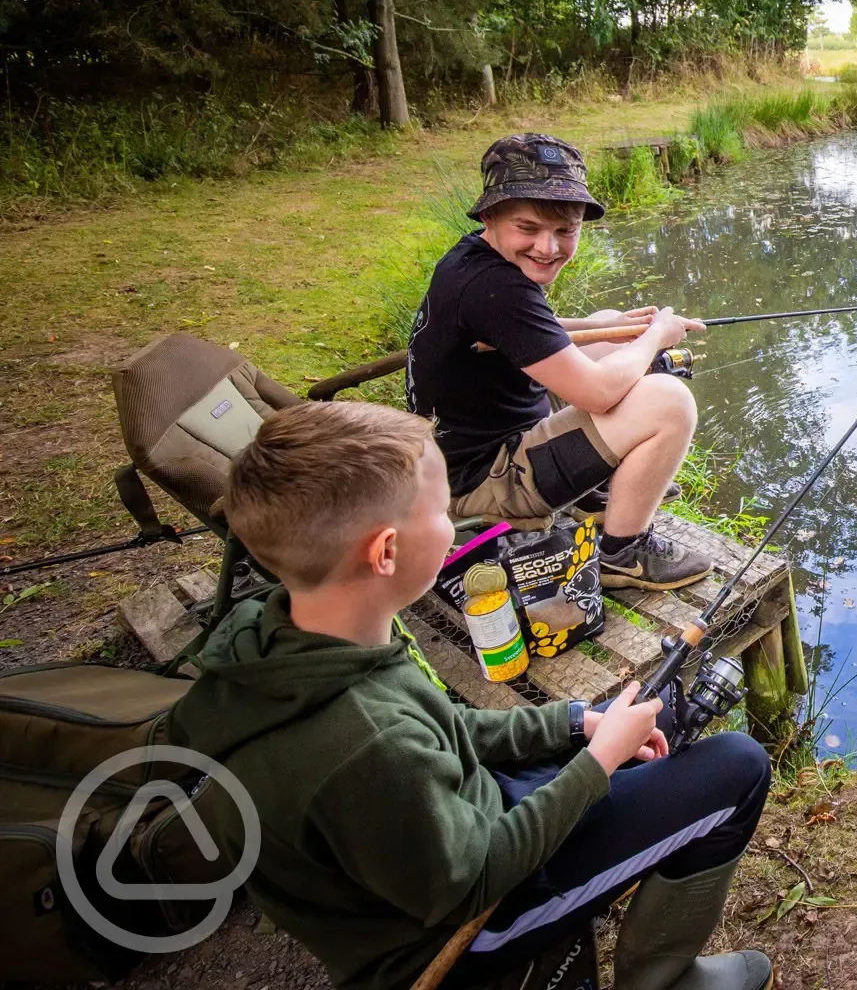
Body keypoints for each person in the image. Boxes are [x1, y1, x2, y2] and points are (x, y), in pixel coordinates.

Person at [167, 401, 774, 990]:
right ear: (386, 552)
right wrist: (599, 764)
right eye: (439, 510)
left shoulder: (305, 635)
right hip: (454, 932)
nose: (456, 524)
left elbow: (446, 730)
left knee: (653, 708)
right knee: (739, 768)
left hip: (451, 826)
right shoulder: (366, 744)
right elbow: (476, 876)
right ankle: (665, 980)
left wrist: (576, 723)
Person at [407, 132, 712, 590]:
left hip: (457, 456)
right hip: (479, 482)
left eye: (565, 231)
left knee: (606, 324)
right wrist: (653, 338)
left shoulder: (474, 260)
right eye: (528, 229)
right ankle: (622, 552)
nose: (548, 248)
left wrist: (606, 328)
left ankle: (595, 494)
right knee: (670, 402)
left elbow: (518, 328)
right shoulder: (497, 289)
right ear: (490, 215)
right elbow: (598, 392)